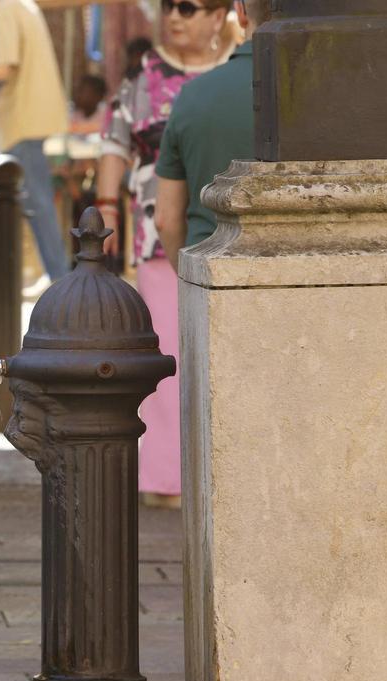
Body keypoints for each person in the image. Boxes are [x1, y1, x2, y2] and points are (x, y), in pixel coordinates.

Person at [95, 0, 232, 508]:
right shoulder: (142, 80)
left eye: (190, 7)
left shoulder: (242, 72)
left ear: (219, 15)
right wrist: (104, 220)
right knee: (169, 358)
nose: (175, 16)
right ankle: (165, 479)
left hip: (236, 233)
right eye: (170, 6)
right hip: (160, 238)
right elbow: (114, 147)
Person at [0, 0, 70, 293]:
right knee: (6, 194)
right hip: (26, 118)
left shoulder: (6, 9)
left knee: (35, 198)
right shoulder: (20, 6)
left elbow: (1, 68)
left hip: (22, 119)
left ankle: (57, 275)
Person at [155, 0, 264, 272]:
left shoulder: (192, 96)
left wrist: (189, 280)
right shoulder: (323, 96)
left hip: (211, 271)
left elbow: (165, 220)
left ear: (239, 11)